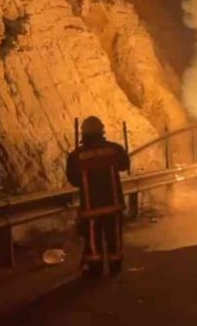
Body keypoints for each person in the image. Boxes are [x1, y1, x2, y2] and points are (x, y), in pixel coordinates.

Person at [66, 116, 130, 277]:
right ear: (102, 131)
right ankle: (115, 266)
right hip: (113, 203)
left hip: (91, 207)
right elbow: (124, 165)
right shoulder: (114, 149)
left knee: (93, 239)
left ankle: (95, 269)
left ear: (83, 133)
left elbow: (73, 179)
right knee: (114, 236)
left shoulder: (76, 155)